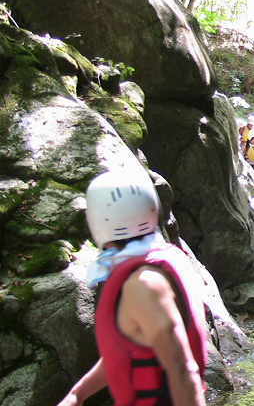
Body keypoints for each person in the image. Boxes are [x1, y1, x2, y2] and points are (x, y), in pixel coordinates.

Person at [57, 170, 208, 406]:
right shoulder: (160, 262)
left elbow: (182, 371)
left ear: (99, 218)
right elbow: (128, 349)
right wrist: (78, 394)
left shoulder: (144, 285)